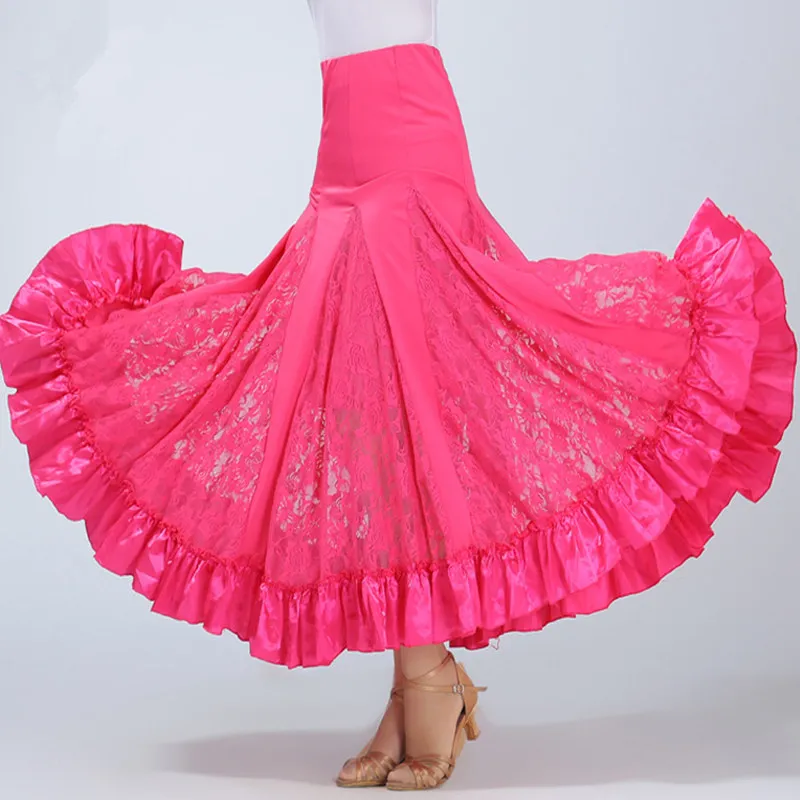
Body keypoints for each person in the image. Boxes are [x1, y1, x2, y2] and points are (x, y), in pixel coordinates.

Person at [0, 0, 795, 792]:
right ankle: (418, 683)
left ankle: (428, 683)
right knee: (362, 406)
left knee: (411, 397)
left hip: (411, 148)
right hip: (339, 164)